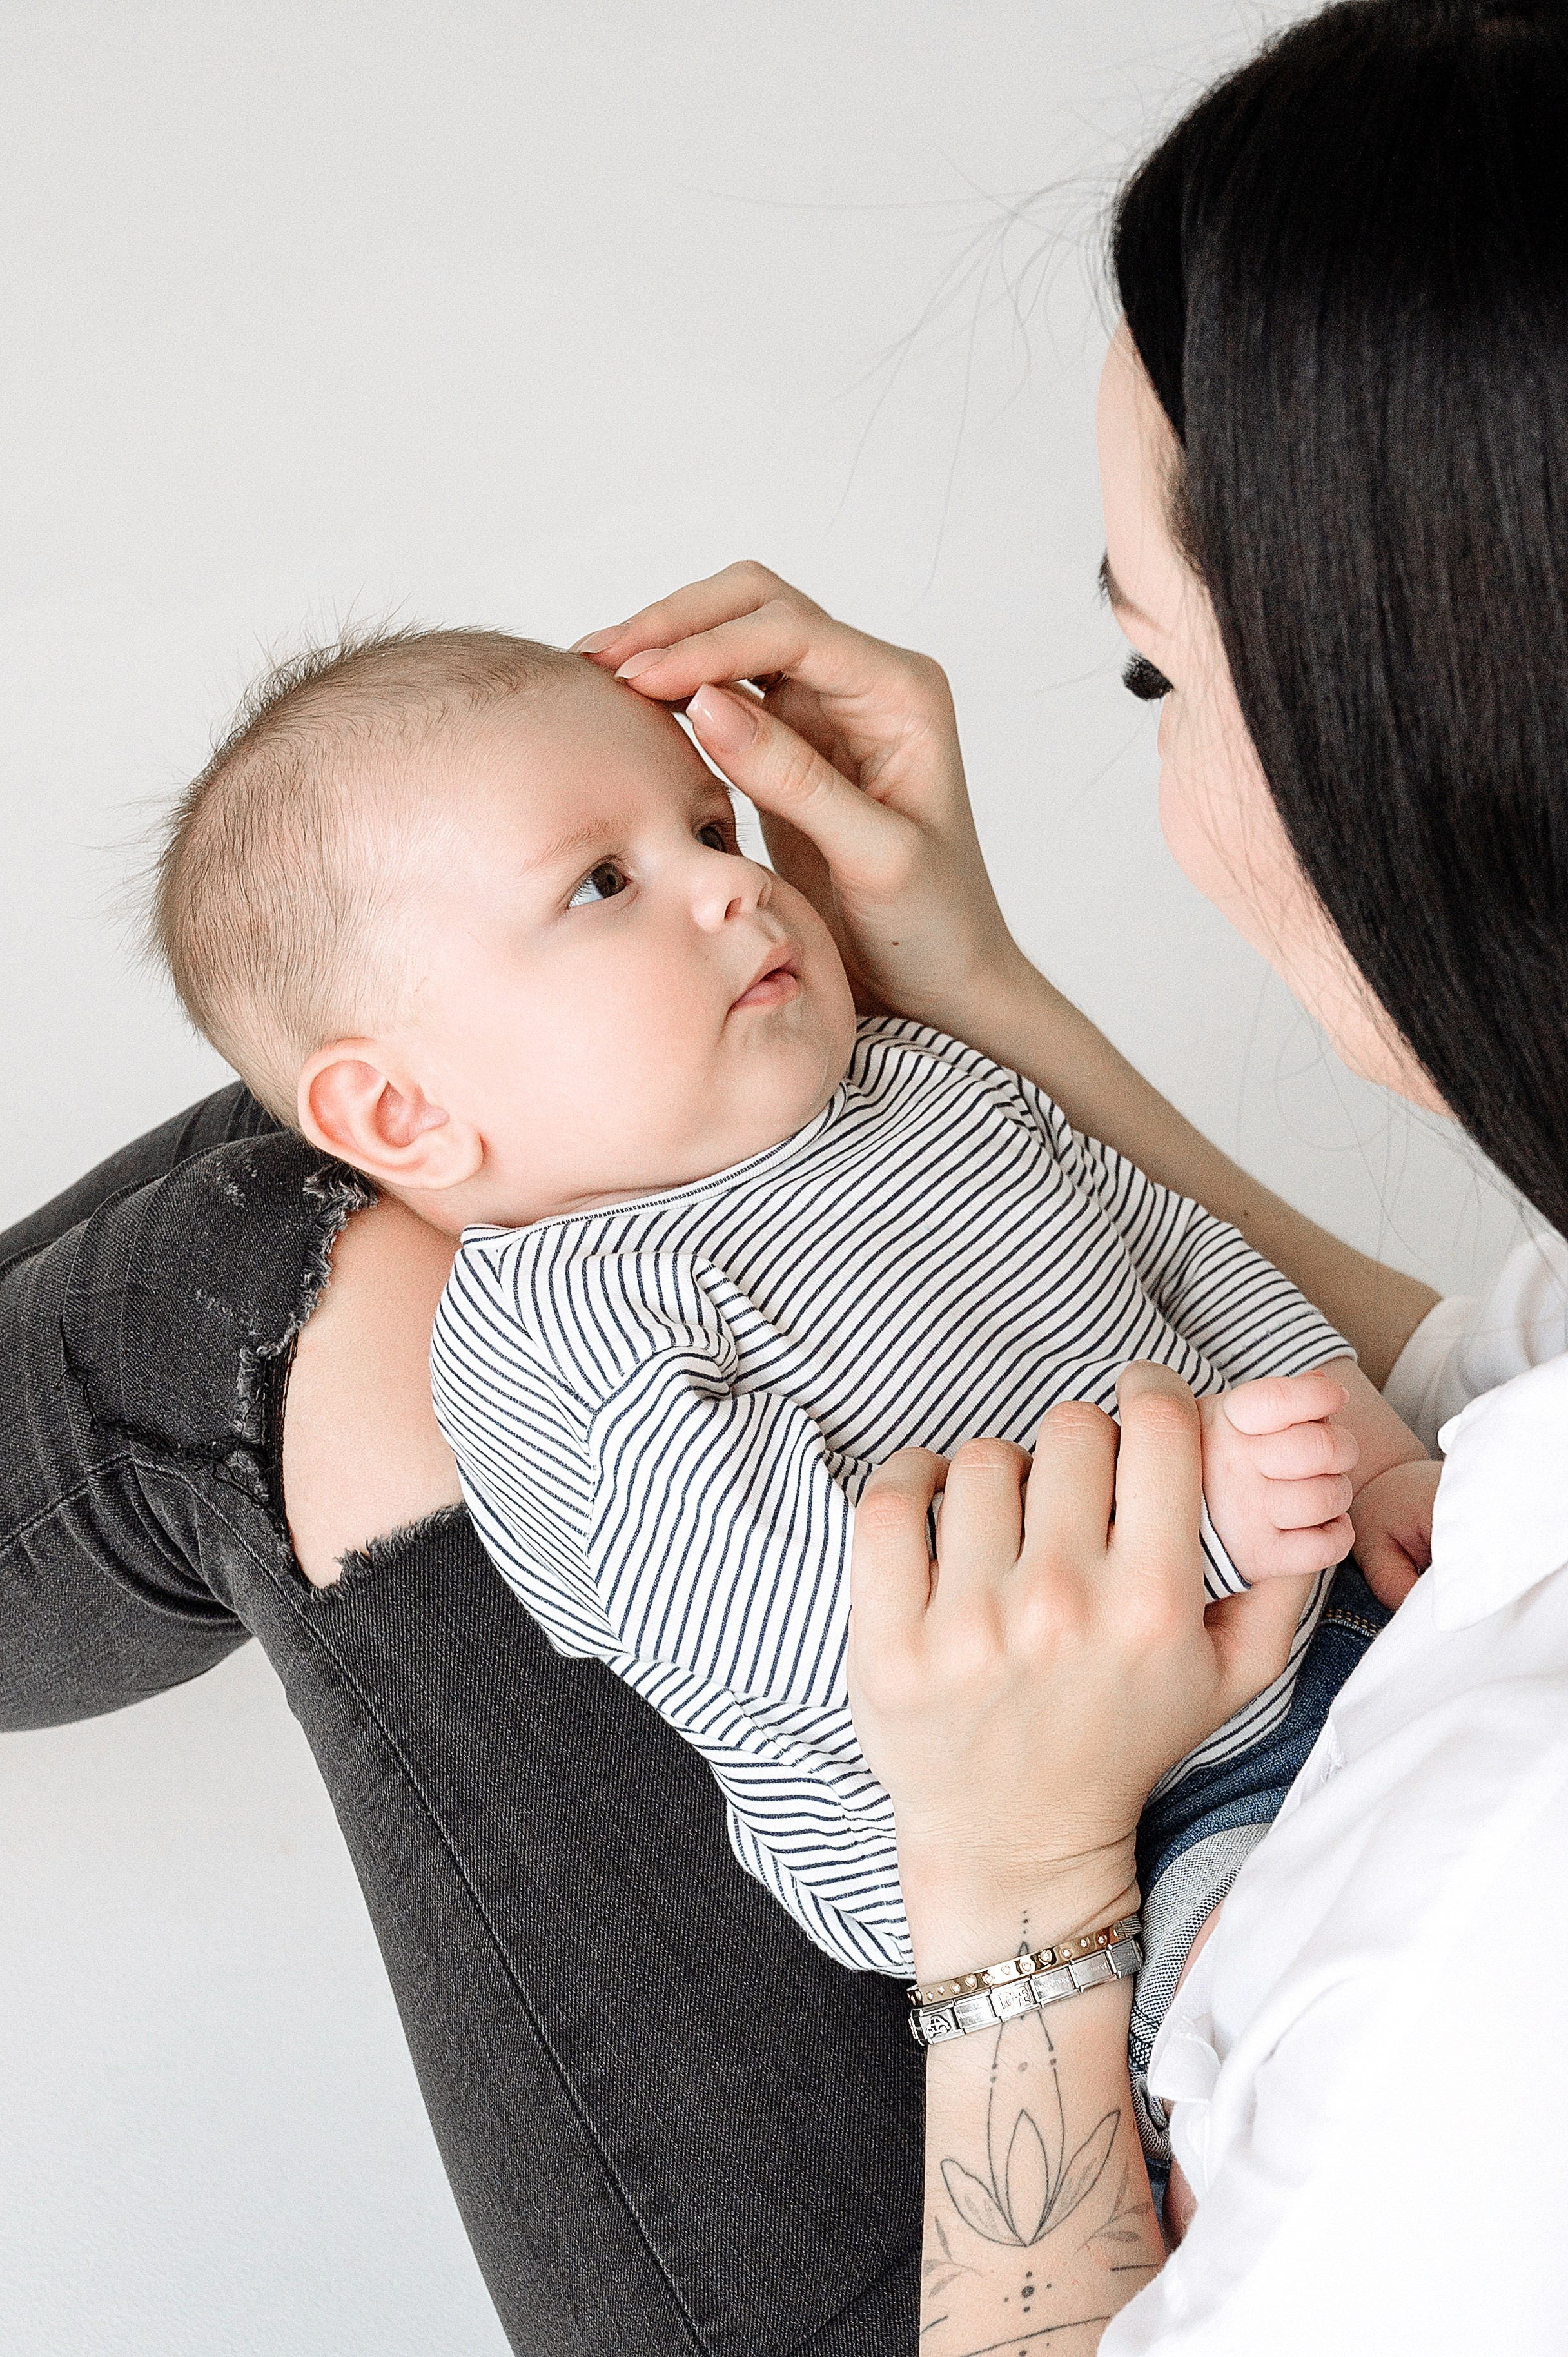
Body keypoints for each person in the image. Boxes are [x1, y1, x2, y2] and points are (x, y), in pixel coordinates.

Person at [4, 0, 1562, 2349]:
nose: (748, 887)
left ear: (1416, 716)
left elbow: (904, 1629)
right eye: (628, 872)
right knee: (349, 1137)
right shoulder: (652, 1267)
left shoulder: (1464, 1956)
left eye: (1153, 674)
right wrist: (1348, 1433)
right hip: (1218, 1652)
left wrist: (1047, 1852)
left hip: (1106, 1919)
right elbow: (1270, 1330)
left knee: (288, 1227)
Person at [145, 617, 1430, 2010]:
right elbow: (806, 1631)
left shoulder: (914, 1082)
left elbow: (1180, 1252)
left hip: (1325, 1604)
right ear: (403, 1110)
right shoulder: (566, 1328)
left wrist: (1363, 1447)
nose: (729, 888)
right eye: (601, 883)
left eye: (712, 826)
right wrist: (1195, 1534)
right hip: (1108, 1819)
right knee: (1293, 1952)